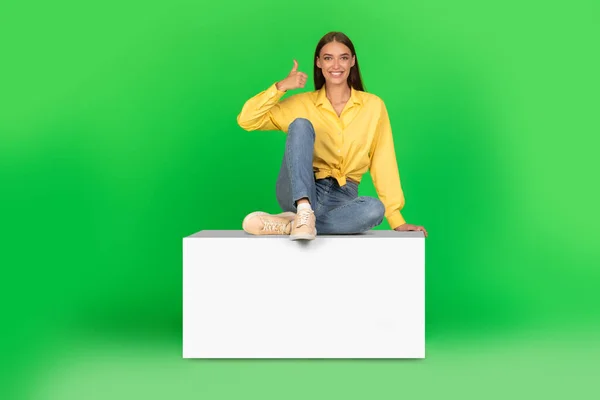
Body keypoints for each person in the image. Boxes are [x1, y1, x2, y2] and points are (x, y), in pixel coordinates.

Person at [237, 31, 428, 241]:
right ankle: (302, 211)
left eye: (343, 57)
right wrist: (280, 87)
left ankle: (293, 224)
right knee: (300, 124)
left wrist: (396, 219)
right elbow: (247, 120)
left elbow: (383, 160)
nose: (336, 65)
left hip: (343, 198)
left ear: (352, 61)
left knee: (374, 209)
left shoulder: (373, 106)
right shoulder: (302, 103)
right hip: (299, 187)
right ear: (319, 63)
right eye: (328, 58)